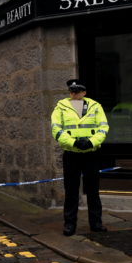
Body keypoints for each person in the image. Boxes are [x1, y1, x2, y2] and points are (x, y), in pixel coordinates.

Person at [50, 79, 109, 236]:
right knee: (71, 191)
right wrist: (74, 143)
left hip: (91, 154)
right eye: (72, 91)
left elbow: (103, 128)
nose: (75, 94)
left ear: (84, 92)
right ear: (70, 92)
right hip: (71, 155)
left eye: (78, 91)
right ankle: (69, 224)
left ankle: (96, 223)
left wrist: (90, 142)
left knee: (93, 191)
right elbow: (56, 129)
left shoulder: (95, 107)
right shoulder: (60, 108)